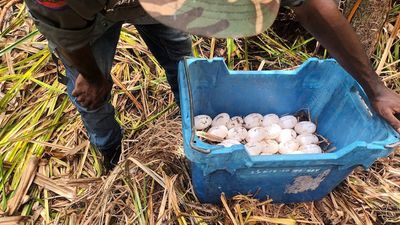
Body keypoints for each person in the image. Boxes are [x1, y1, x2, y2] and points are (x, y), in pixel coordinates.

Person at [25, 0, 400, 171]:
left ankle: (187, 130)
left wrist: (376, 89)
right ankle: (110, 152)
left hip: (155, 7)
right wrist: (92, 76)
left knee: (183, 65)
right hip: (86, 17)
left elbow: (314, 6)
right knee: (91, 95)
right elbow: (68, 36)